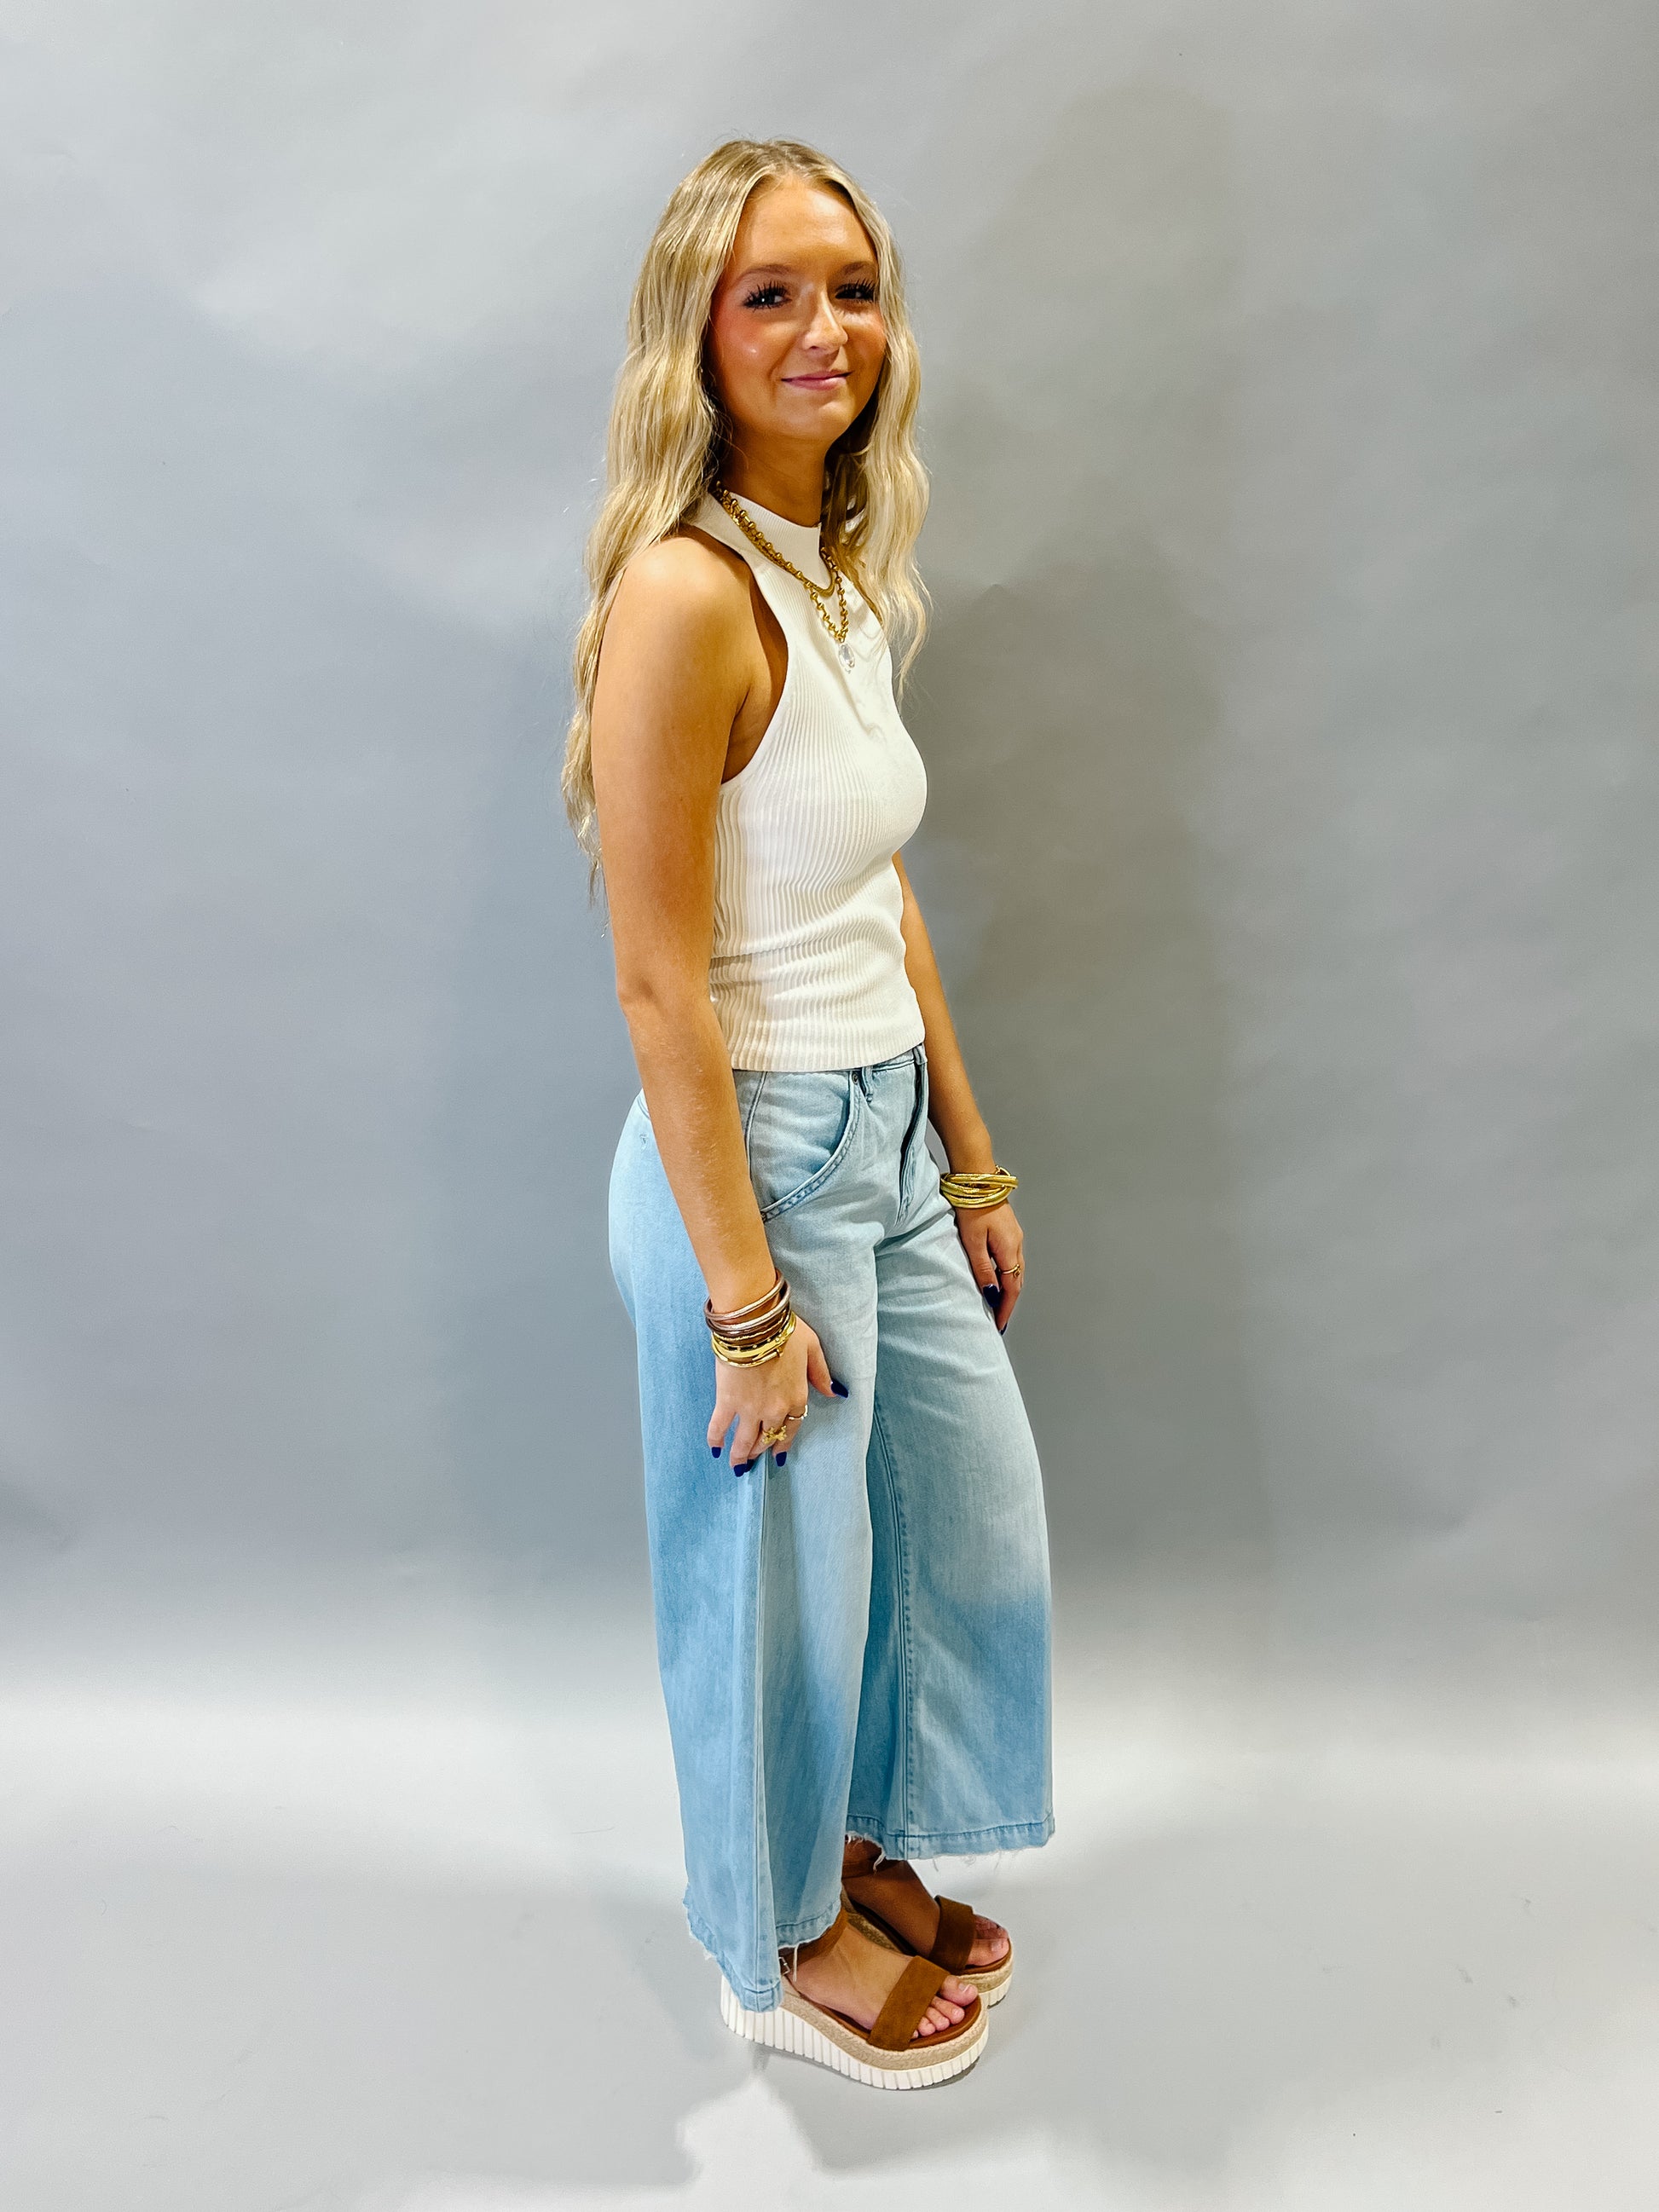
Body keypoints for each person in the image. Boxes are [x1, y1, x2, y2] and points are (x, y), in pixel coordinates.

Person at [564, 136, 1054, 2089]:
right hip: (750, 1158)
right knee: (773, 1586)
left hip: (886, 1138)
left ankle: (850, 1850)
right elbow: (657, 983)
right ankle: (772, 1940)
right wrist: (744, 1300)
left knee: (951, 1521)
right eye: (769, 292)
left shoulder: (834, 568)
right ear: (695, 333)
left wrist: (968, 1151)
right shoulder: (685, 596)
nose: (822, 327)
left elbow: (877, 890)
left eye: (851, 286)